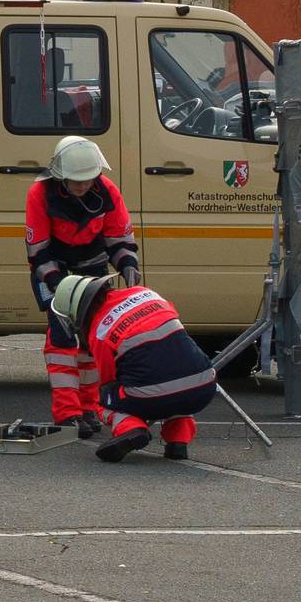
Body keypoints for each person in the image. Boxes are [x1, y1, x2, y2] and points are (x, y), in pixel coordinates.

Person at [25, 136, 138, 435]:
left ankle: (89, 408)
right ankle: (66, 413)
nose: (83, 186)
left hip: (93, 268)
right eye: (76, 181)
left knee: (92, 341)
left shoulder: (107, 190)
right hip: (55, 270)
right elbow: (39, 251)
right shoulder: (40, 193)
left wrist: (128, 264)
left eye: (88, 179)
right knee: (61, 341)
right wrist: (59, 286)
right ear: (60, 175)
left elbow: (119, 239)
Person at [51, 273, 216, 462]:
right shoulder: (146, 293)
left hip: (153, 395)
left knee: (102, 399)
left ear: (78, 310)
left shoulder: (99, 331)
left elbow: (109, 381)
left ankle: (131, 428)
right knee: (179, 387)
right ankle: (178, 442)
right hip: (203, 384)